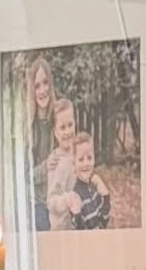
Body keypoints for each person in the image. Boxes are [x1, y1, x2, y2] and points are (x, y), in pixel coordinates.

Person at [37, 98, 83, 231]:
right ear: (55, 132)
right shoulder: (56, 162)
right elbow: (51, 202)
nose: (68, 131)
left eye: (70, 125)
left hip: (78, 225)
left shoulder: (77, 154)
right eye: (62, 128)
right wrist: (66, 200)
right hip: (62, 229)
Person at [71, 132, 113, 230]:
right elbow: (81, 234)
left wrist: (106, 197)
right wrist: (77, 215)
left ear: (94, 158)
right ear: (74, 163)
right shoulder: (75, 193)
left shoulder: (94, 186)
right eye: (81, 159)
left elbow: (104, 221)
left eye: (89, 158)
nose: (86, 163)